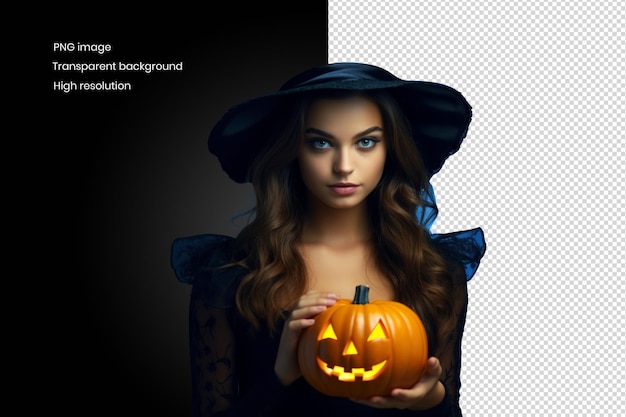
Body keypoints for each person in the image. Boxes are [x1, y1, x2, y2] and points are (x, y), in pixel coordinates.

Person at [171, 62, 486, 416]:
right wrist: (281, 375)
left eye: (366, 142)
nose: (344, 165)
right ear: (293, 150)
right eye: (320, 143)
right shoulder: (230, 274)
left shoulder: (435, 272)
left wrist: (431, 401)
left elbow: (450, 406)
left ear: (390, 149)